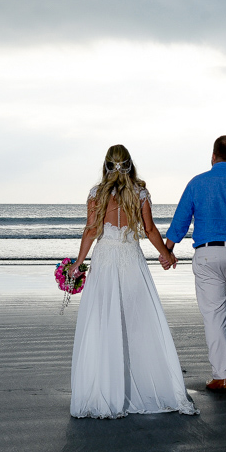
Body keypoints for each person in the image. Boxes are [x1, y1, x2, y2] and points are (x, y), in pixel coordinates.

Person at [67, 144, 197, 419]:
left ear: (106, 165)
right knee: (137, 323)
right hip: (130, 260)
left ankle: (107, 388)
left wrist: (78, 264)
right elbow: (149, 230)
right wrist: (166, 255)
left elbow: (91, 231)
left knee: (104, 322)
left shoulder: (96, 194)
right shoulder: (140, 194)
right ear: (129, 165)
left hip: (104, 260)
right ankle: (145, 386)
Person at [161, 135, 226, 393]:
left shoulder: (197, 183)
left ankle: (222, 375)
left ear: (213, 156)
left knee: (214, 316)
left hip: (207, 255)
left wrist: (168, 251)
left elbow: (181, 221)